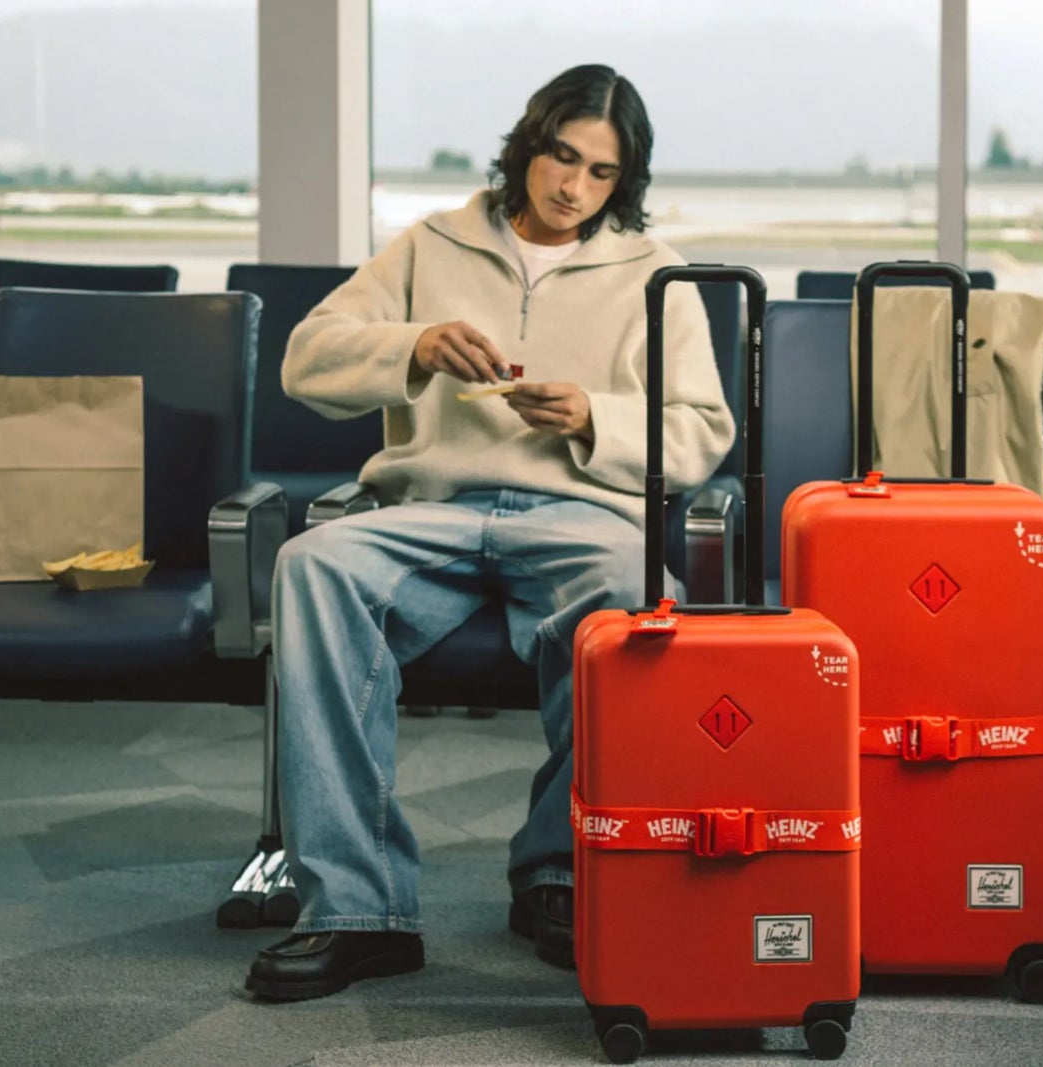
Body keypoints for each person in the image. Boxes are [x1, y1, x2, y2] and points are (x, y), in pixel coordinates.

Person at [244, 63, 734, 1002]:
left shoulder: (655, 273)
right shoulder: (428, 245)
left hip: (582, 516)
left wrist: (593, 415)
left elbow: (703, 432)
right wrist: (415, 346)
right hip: (429, 512)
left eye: (600, 173)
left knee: (641, 589)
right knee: (311, 566)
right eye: (562, 157)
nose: (572, 187)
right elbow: (307, 360)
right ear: (529, 145)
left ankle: (560, 869)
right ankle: (358, 908)